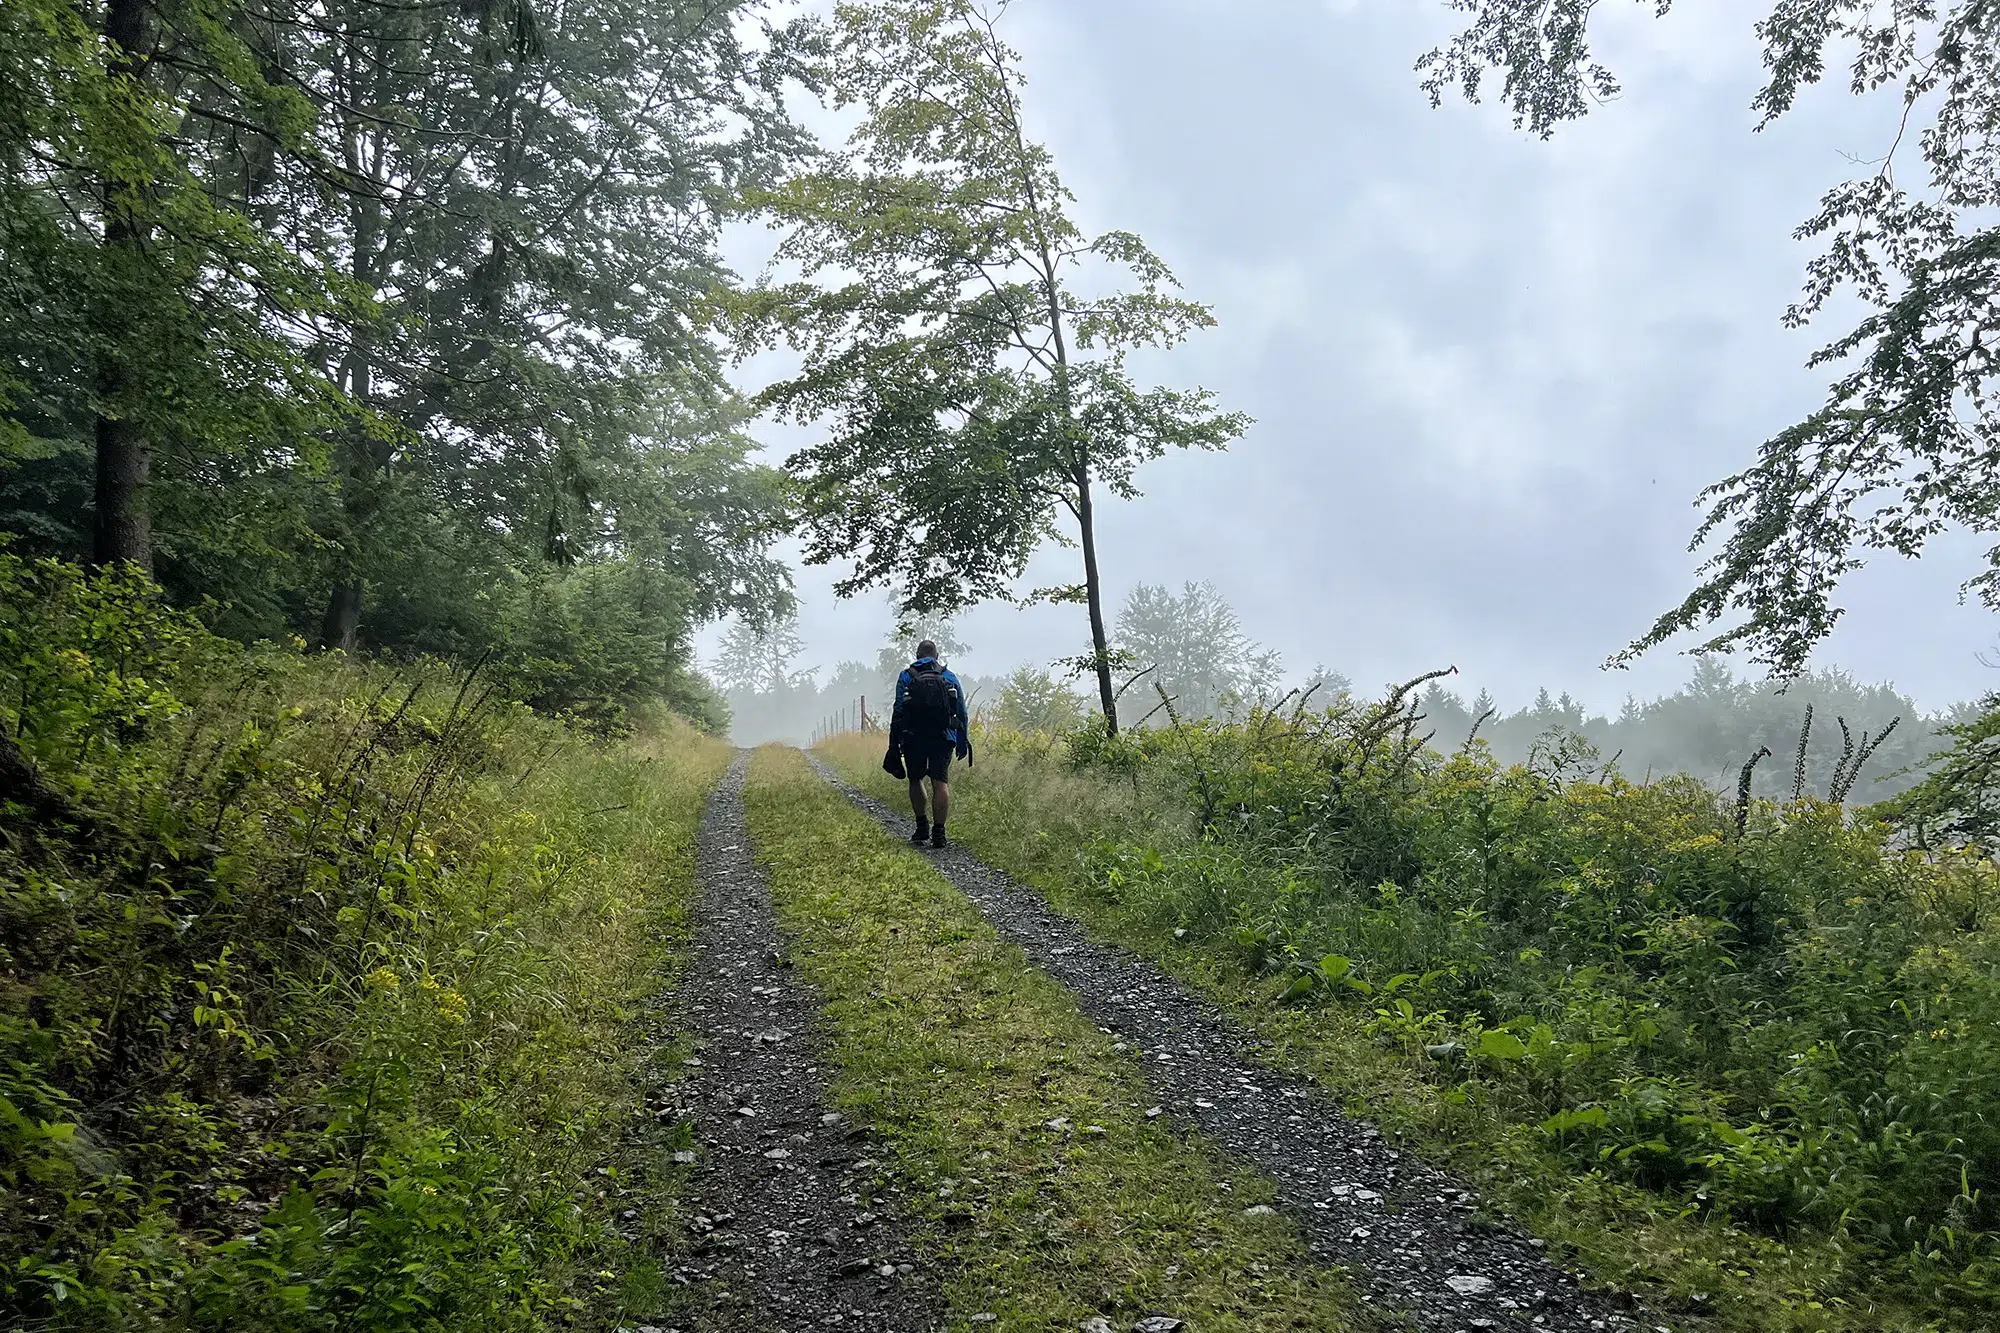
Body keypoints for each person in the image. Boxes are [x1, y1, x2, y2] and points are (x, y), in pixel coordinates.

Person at [888, 639, 970, 848]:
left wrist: (896, 739)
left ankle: (921, 826)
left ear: (917, 655)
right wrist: (962, 739)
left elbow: (899, 708)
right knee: (940, 782)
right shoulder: (948, 676)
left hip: (913, 736)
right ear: (937, 654)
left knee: (916, 780)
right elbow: (961, 711)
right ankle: (939, 833)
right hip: (943, 737)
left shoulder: (906, 676)